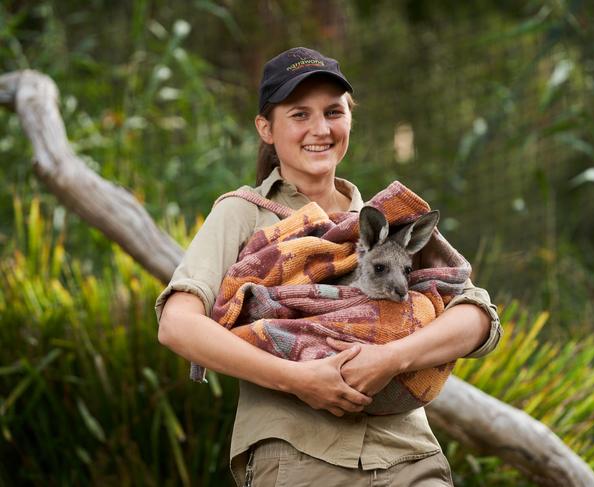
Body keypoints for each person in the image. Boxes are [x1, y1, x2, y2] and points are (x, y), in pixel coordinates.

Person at [156, 47, 502, 487]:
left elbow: (478, 318)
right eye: (299, 114)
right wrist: (297, 378)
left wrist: (391, 358)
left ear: (349, 120)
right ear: (266, 127)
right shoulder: (244, 213)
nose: (320, 129)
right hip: (301, 455)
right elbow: (177, 326)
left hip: (408, 456)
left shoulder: (387, 221)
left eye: (333, 112)